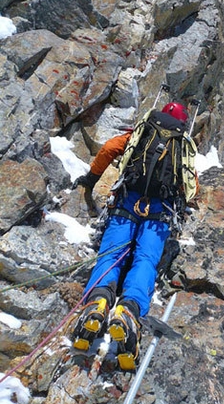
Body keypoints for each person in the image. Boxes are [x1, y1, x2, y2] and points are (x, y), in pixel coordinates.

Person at [72, 101, 196, 370]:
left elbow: (108, 149)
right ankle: (128, 310)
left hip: (126, 202)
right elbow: (190, 185)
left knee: (112, 255)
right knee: (145, 260)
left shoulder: (140, 133)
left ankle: (98, 302)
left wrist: (91, 179)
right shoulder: (181, 145)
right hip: (159, 214)